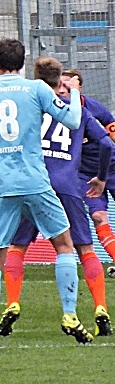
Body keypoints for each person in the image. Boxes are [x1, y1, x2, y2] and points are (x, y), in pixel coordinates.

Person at [0, 38, 91, 349]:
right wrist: (74, 94)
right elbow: (73, 120)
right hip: (36, 182)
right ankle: (69, 314)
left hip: (3, 187)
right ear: (21, 63)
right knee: (63, 244)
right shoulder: (36, 89)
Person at [0, 59, 114, 337]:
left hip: (33, 182)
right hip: (67, 186)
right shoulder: (80, 112)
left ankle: (13, 302)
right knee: (82, 249)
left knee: (17, 247)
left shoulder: (30, 107)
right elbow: (107, 144)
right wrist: (99, 177)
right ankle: (100, 308)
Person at [63, 69, 115, 276]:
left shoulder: (95, 108)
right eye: (60, 86)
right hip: (85, 174)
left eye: (68, 86)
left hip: (112, 167)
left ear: (78, 88)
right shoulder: (55, 111)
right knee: (98, 216)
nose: (63, 90)